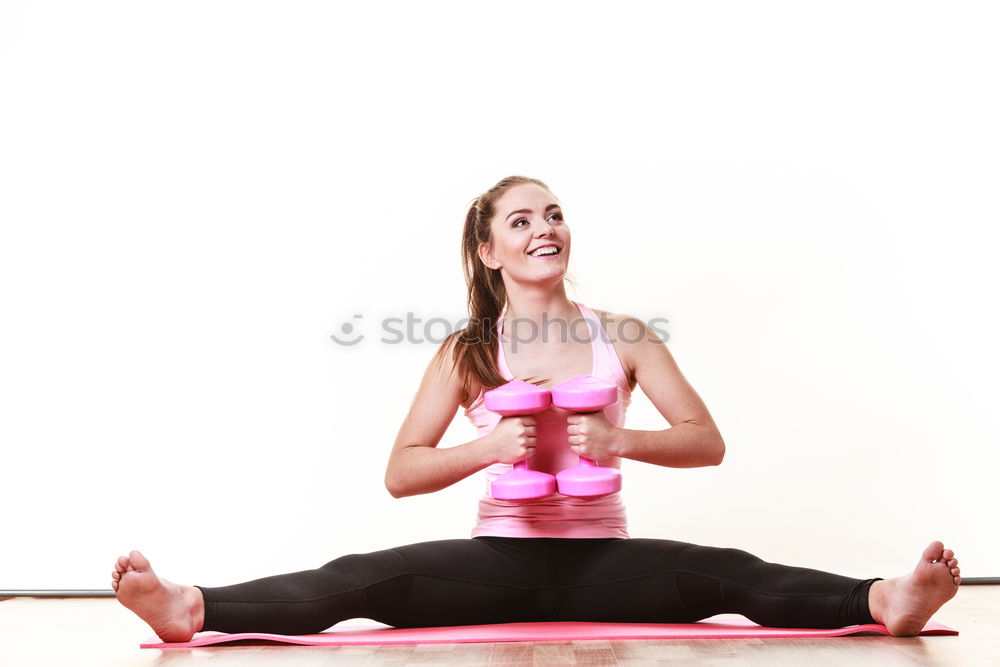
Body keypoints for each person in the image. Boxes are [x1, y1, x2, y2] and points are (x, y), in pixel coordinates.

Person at [112, 175, 961, 641]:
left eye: (554, 213)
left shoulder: (623, 333)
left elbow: (708, 442)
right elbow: (401, 471)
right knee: (359, 578)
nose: (545, 227)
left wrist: (621, 435)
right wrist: (485, 451)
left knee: (734, 570)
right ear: (489, 251)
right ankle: (190, 606)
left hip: (607, 560)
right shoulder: (466, 350)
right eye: (521, 220)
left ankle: (885, 599)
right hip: (495, 559)